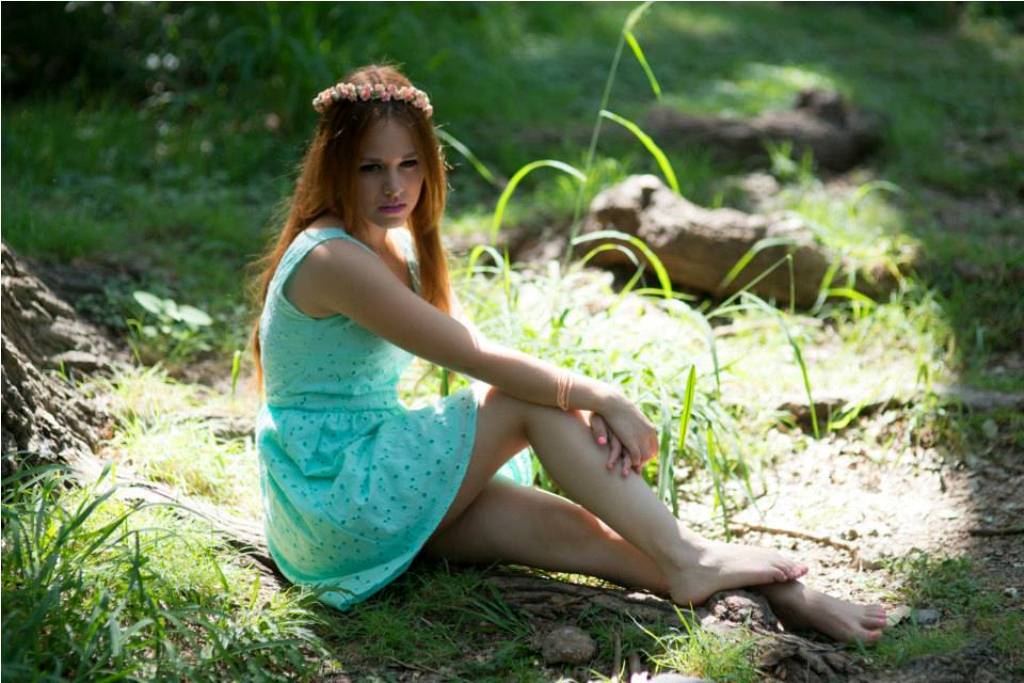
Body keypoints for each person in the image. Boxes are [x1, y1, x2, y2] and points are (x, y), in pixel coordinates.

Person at [247, 64, 888, 643]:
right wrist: (601, 395)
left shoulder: (393, 243)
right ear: (336, 167)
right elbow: (477, 358)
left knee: (587, 537)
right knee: (526, 401)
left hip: (349, 498)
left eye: (409, 164)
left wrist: (576, 399)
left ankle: (775, 590)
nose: (395, 185)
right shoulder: (333, 258)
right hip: (335, 493)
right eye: (371, 168)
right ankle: (691, 555)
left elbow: (472, 343)